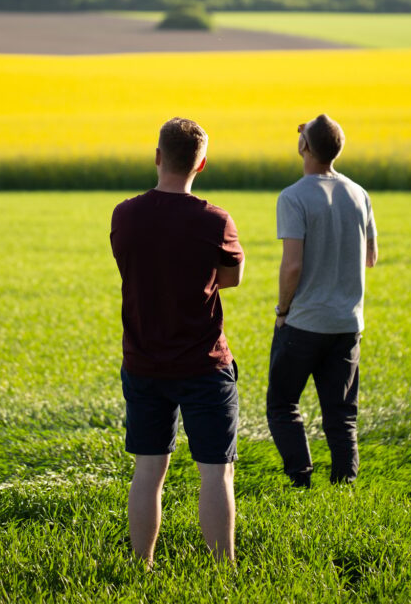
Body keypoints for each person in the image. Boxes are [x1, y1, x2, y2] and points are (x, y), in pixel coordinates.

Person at [110, 117, 245, 566]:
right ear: (201, 164)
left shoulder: (125, 214)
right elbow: (233, 278)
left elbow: (132, 268)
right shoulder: (215, 220)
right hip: (205, 364)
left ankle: (141, 564)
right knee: (216, 472)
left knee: (148, 471)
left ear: (157, 156)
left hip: (144, 363)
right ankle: (221, 571)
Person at [266, 114, 377, 487]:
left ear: (304, 148)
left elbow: (292, 265)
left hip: (304, 322)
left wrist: (283, 311)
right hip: (347, 324)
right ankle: (343, 485)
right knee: (341, 414)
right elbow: (370, 258)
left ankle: (301, 480)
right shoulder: (359, 193)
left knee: (283, 405)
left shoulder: (293, 196)